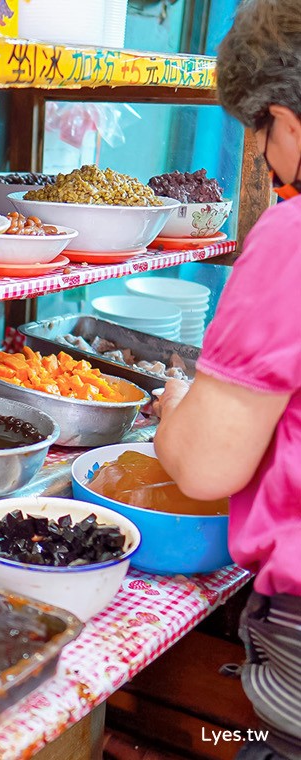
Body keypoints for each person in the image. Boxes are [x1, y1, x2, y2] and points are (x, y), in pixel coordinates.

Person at [156, 4, 301, 757]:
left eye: (258, 133)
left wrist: (176, 409)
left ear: (285, 120)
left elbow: (206, 467)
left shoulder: (291, 234)